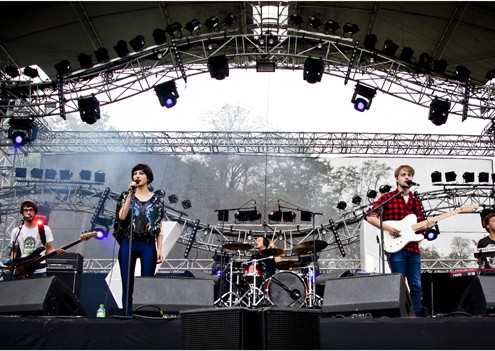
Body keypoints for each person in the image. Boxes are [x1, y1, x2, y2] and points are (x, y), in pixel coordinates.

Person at [366, 165, 434, 317]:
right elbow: (371, 216)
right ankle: (400, 316)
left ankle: (415, 316)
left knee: (416, 285)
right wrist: (388, 228)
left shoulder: (416, 201)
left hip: (413, 249)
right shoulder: (387, 198)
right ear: (397, 179)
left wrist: (428, 225)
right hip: (395, 248)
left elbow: (421, 227)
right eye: (403, 174)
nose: (407, 177)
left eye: (409, 175)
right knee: (399, 285)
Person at [113, 164, 164, 316]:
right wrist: (129, 194)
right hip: (128, 242)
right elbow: (122, 216)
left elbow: (159, 225)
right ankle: (127, 315)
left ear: (148, 177)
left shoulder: (157, 199)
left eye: (141, 173)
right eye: (135, 173)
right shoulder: (125, 195)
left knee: (147, 283)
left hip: (148, 244)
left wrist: (159, 248)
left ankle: (145, 316)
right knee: (127, 283)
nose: (137, 175)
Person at [8, 200, 64, 278]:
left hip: (40, 272)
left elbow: (49, 249)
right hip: (23, 270)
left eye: (31, 210)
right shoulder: (16, 231)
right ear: (22, 213)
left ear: (35, 212)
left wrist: (56, 252)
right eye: (25, 210)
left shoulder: (45, 229)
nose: (28, 212)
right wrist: (13, 264)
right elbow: (14, 251)